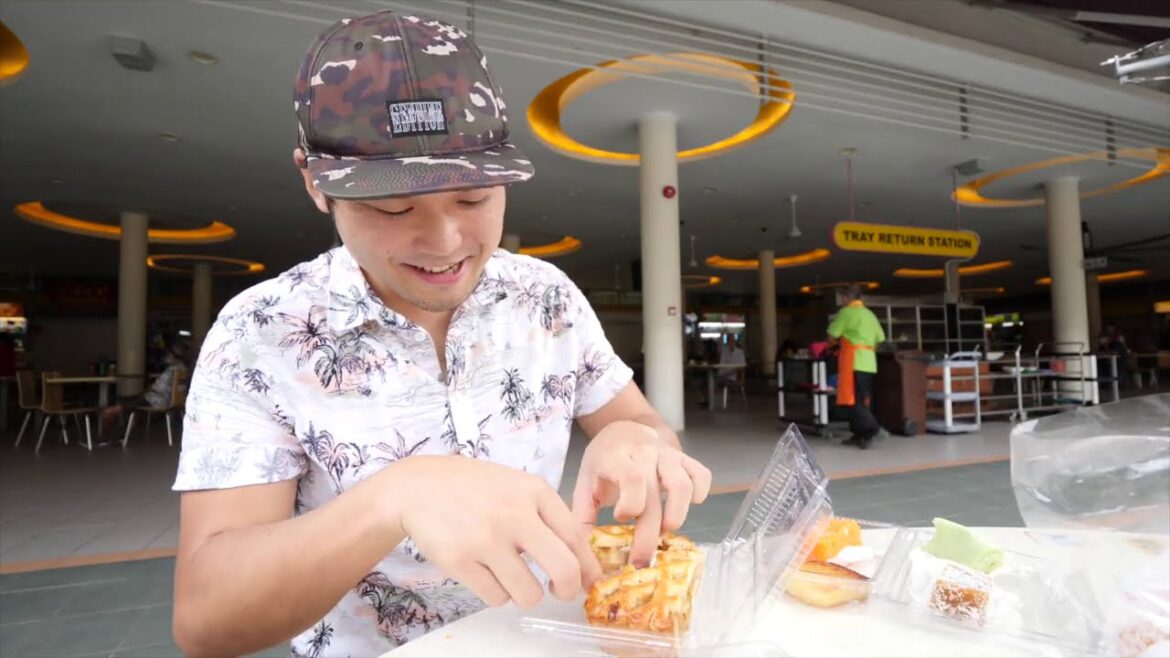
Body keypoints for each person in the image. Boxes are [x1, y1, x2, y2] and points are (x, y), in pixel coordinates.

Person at [169, 11, 712, 658]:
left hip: (546, 639)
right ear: (316, 183)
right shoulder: (261, 334)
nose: (445, 243)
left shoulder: (545, 296)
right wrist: (393, 498)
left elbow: (642, 424)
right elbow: (206, 618)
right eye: (393, 208)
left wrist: (634, 438)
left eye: (473, 199)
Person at [827, 285, 885, 449]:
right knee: (863, 399)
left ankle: (872, 428)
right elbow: (880, 339)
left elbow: (832, 336)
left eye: (843, 298)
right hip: (869, 363)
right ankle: (859, 434)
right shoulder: (870, 314)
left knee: (853, 400)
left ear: (847, 298)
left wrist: (835, 350)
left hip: (853, 362)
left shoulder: (845, 312)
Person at [98, 341, 188, 440]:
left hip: (154, 400)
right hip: (167, 400)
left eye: (169, 354)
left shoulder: (172, 371)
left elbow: (158, 389)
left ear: (174, 357)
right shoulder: (183, 370)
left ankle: (103, 437)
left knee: (109, 411)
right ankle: (124, 435)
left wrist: (148, 389)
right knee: (135, 406)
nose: (167, 356)